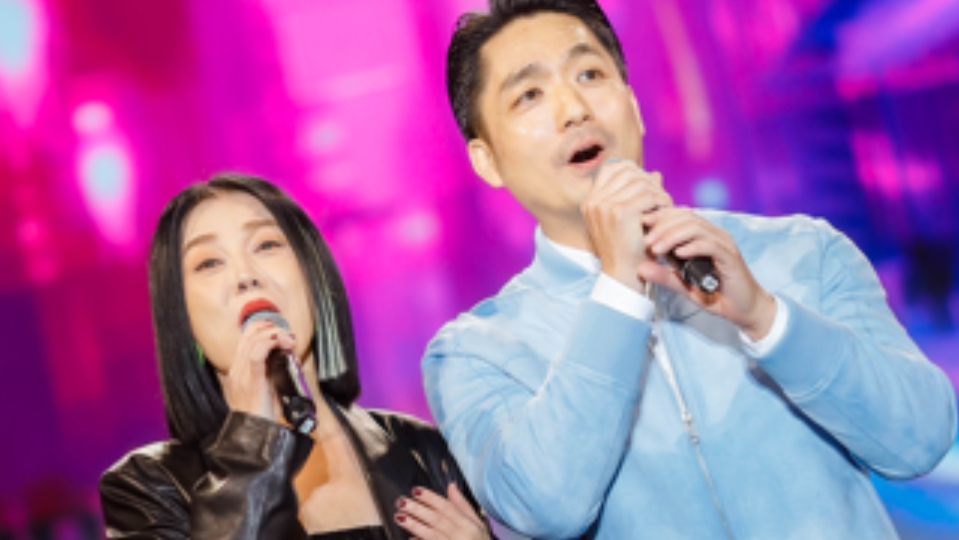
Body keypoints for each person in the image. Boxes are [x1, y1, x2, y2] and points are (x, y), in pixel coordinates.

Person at [423, 1, 958, 539]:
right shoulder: (475, 352)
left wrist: (765, 318)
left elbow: (921, 438)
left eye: (589, 74)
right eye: (529, 95)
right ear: (487, 160)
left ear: (634, 108)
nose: (574, 108)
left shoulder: (803, 251)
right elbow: (545, 507)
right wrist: (619, 289)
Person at [100, 174, 494, 540]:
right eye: (209, 263)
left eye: (266, 245)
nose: (245, 276)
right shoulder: (146, 488)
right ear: (182, 318)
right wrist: (252, 441)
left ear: (313, 275)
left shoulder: (421, 450)